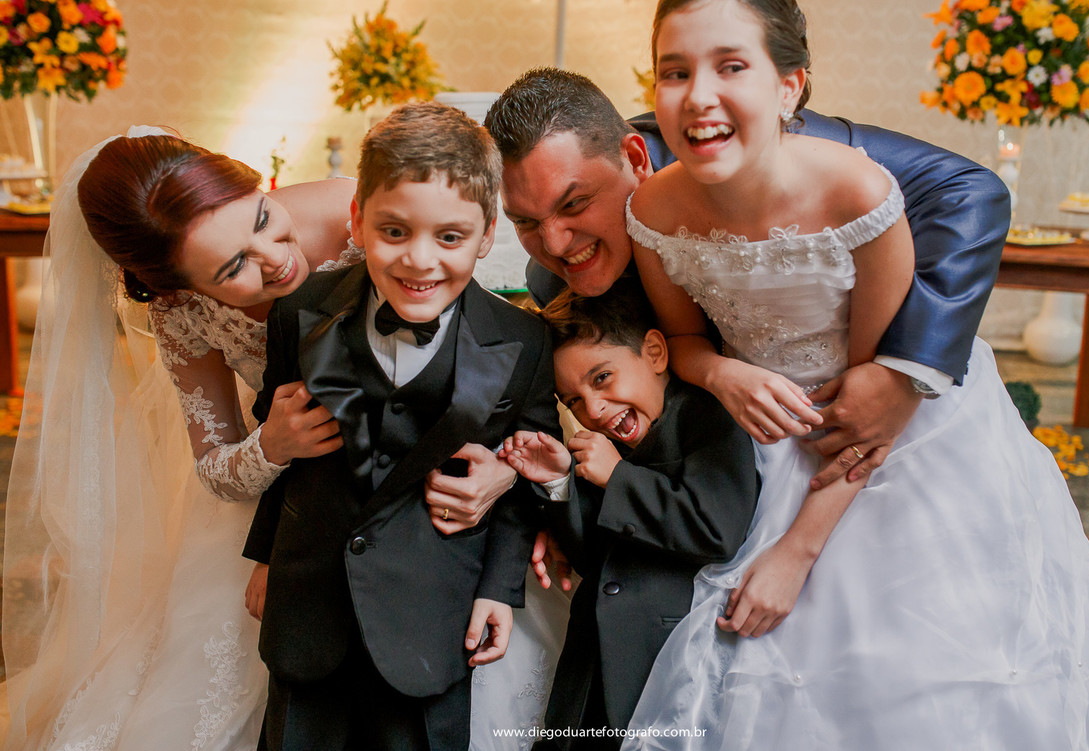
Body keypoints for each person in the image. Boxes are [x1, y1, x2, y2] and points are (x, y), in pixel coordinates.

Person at [618, 0, 1089, 749]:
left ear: (788, 86)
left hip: (900, 447)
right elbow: (690, 343)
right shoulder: (652, 209)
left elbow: (879, 408)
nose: (697, 95)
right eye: (675, 72)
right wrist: (722, 370)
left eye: (731, 65)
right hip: (764, 435)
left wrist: (796, 552)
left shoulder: (860, 196)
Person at [1, 126, 550, 750]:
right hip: (300, 501)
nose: (277, 259)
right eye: (234, 267)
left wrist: (505, 470)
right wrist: (271, 448)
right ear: (179, 289)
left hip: (427, 526)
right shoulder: (183, 312)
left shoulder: (376, 214)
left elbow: (487, 371)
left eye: (263, 218)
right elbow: (214, 463)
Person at [482, 65, 1010, 494]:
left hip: (860, 430)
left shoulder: (765, 153)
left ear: (636, 159)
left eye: (574, 204)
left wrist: (899, 375)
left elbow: (970, 192)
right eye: (525, 221)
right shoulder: (553, 284)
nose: (554, 244)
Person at [242, 102, 562, 751]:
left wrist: (501, 589)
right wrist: (265, 552)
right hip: (310, 607)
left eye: (449, 236)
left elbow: (524, 474)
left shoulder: (523, 341)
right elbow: (287, 452)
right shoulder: (298, 314)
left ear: (486, 232)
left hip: (433, 615)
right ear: (357, 218)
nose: (420, 261)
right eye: (394, 231)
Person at [500, 282, 759, 748]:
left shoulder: (707, 417)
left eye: (601, 379)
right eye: (573, 400)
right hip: (594, 662)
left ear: (656, 353)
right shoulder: (612, 449)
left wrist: (617, 478)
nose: (593, 409)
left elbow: (717, 529)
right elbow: (593, 557)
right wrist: (560, 484)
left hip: (664, 663)